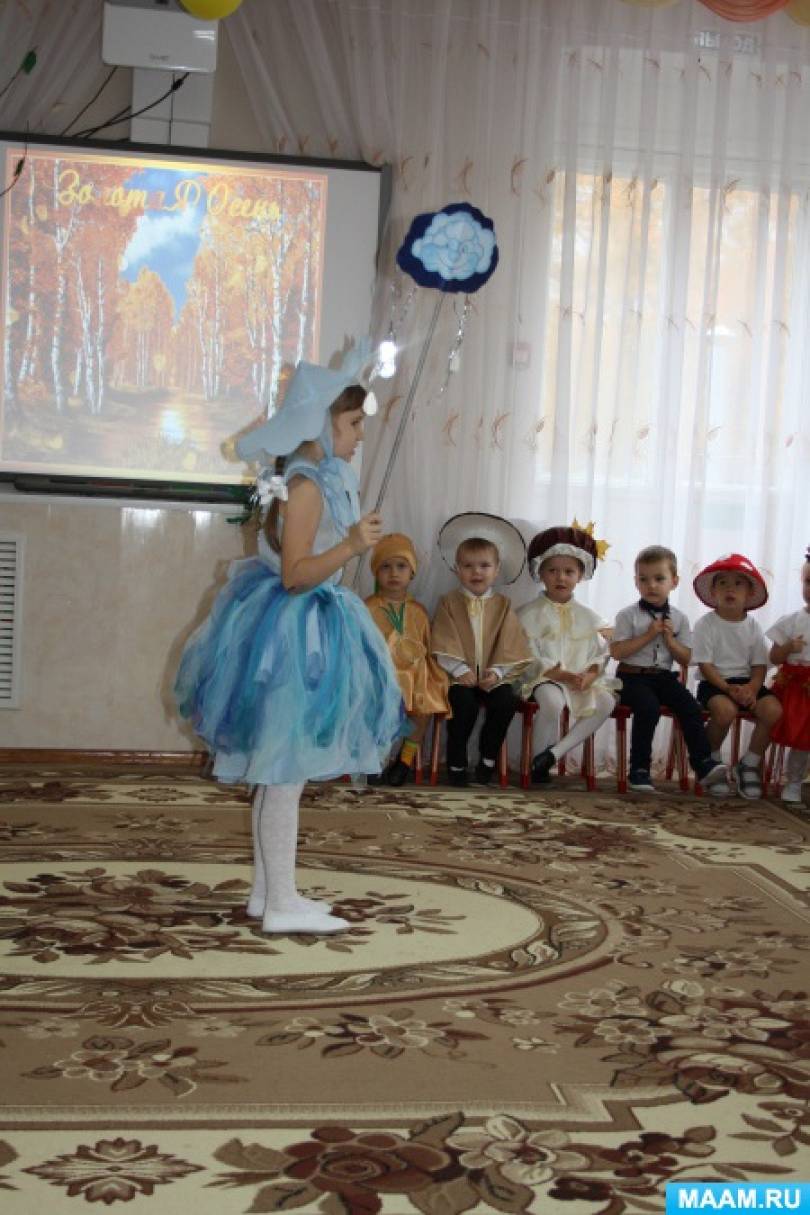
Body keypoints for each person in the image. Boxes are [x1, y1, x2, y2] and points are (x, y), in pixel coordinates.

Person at [174, 347, 405, 934]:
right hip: (296, 634)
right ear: (320, 425)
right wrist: (350, 546)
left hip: (312, 624)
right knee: (284, 774)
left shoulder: (326, 477)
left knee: (278, 772)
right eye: (352, 424)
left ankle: (267, 893)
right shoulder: (304, 486)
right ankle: (281, 903)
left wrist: (350, 540)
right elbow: (295, 574)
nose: (359, 436)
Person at [610, 545, 727, 794]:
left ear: (674, 582)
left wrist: (670, 641)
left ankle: (703, 764)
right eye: (644, 579)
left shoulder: (680, 618)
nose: (651, 585)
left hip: (663, 677)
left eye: (659, 578)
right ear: (636, 582)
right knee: (648, 708)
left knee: (691, 707)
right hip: (632, 676)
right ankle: (639, 770)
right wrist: (648, 635)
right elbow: (617, 652)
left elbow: (687, 659)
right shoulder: (627, 615)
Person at [431, 512, 532, 787]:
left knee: (506, 701)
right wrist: (458, 669)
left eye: (484, 565)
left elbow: (511, 642)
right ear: (457, 569)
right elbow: (442, 638)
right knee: (463, 705)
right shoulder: (449, 602)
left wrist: (498, 672)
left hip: (491, 676)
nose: (476, 572)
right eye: (468, 566)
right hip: (460, 677)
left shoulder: (503, 605)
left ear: (496, 570)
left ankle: (488, 757)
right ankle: (456, 760)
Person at [518, 523, 619, 784]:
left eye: (568, 572)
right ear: (540, 572)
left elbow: (602, 651)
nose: (560, 578)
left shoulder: (590, 616)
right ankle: (536, 761)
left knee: (606, 702)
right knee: (552, 703)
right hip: (546, 677)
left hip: (580, 679)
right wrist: (558, 673)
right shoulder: (527, 614)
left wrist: (592, 673)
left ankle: (553, 754)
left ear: (580, 575)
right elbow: (527, 653)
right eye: (552, 571)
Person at [691, 553, 782, 800]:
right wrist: (727, 688)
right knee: (725, 711)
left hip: (747, 682)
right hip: (715, 683)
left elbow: (759, 665)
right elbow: (706, 665)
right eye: (722, 583)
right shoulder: (706, 624)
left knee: (773, 710)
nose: (730, 589)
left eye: (738, 584)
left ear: (750, 593)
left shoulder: (753, 626)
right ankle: (711, 762)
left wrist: (752, 688)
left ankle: (749, 764)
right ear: (713, 591)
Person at [364, 533, 451, 785]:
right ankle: (377, 759)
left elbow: (427, 648)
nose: (394, 573)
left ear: (412, 572)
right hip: (380, 675)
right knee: (380, 704)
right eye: (386, 567)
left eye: (401, 566)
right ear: (375, 572)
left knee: (425, 702)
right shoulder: (368, 608)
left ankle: (404, 760)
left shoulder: (418, 611)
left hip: (415, 676)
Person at [767, 547, 810, 806]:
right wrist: (788, 648)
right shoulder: (791, 620)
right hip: (795, 686)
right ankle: (793, 781)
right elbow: (773, 657)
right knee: (802, 736)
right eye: (808, 582)